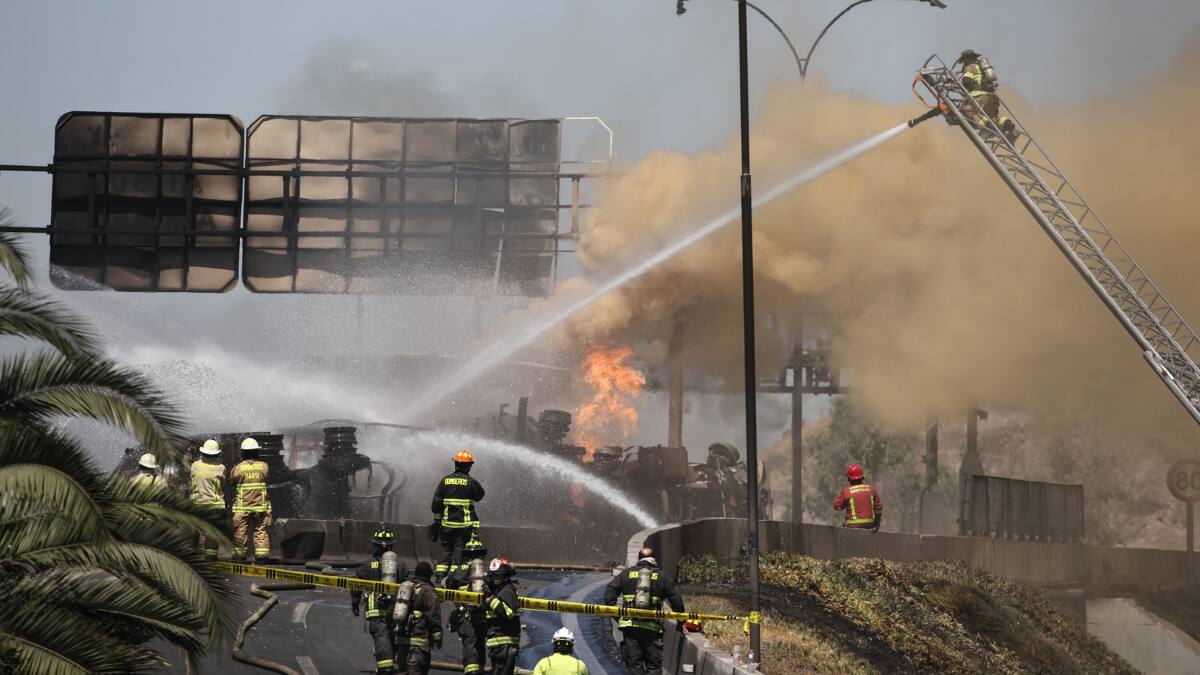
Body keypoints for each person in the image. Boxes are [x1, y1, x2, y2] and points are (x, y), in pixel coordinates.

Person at [604, 547, 686, 675]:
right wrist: (681, 622)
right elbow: (677, 600)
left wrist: (618, 616)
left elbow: (609, 594)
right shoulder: (662, 576)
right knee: (653, 666)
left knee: (634, 666)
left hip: (630, 628)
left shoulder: (626, 574)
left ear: (638, 558)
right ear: (654, 559)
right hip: (652, 629)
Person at [351, 528, 407, 675]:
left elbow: (355, 585)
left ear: (375, 545)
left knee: (381, 635)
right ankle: (389, 664)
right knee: (393, 636)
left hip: (375, 608)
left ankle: (385, 668)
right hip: (396, 608)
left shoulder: (367, 564)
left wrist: (355, 603)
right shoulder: (400, 564)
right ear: (391, 545)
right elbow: (407, 586)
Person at [431, 449, 485, 581]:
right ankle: (453, 579)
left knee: (445, 549)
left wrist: (437, 523)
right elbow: (480, 495)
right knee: (459, 552)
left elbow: (435, 506)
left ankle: (439, 576)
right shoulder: (470, 482)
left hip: (446, 526)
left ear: (455, 464)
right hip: (463, 526)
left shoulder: (445, 481)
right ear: (469, 466)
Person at [443, 532, 489, 675]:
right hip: (480, 613)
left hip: (464, 614)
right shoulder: (482, 570)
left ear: (466, 553)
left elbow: (448, 587)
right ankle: (480, 670)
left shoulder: (458, 569)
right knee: (480, 642)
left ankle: (471, 671)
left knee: (469, 642)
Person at [955, 48, 1017, 143]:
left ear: (967, 59)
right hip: (992, 97)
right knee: (992, 117)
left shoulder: (970, 67)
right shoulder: (981, 67)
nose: (963, 63)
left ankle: (988, 128)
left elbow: (967, 81)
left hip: (979, 97)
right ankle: (1008, 124)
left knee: (968, 113)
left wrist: (959, 85)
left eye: (964, 61)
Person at [394, 561, 442, 675]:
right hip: (418, 644)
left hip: (402, 642)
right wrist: (437, 637)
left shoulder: (404, 587)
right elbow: (434, 615)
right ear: (428, 575)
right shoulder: (428, 590)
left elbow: (392, 611)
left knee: (403, 671)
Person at [230, 437, 272, 562]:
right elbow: (267, 478)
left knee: (240, 531)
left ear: (243, 452)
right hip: (260, 506)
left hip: (242, 507)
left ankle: (239, 556)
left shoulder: (238, 468)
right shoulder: (264, 466)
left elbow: (232, 480)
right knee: (261, 531)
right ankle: (262, 557)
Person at [482, 557, 521, 675]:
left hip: (505, 645)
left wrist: (491, 601)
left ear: (505, 575)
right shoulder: (498, 591)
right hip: (499, 646)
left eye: (498, 575)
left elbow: (508, 613)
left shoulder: (507, 591)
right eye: (493, 575)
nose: (495, 578)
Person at [190, 439, 227, 559]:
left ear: (203, 453)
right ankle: (211, 558)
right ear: (216, 454)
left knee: (194, 531)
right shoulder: (221, 468)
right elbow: (223, 483)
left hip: (198, 504)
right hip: (215, 506)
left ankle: (191, 557)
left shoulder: (195, 466)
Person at [833, 464, 884, 530]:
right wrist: (877, 522)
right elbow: (879, 508)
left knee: (843, 526)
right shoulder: (871, 489)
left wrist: (845, 503)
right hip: (870, 525)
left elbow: (836, 506)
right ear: (862, 477)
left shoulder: (847, 491)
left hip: (852, 526)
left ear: (849, 478)